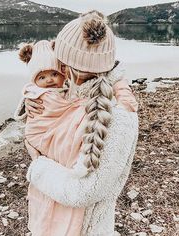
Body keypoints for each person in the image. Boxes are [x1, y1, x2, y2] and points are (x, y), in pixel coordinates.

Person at [15, 11, 138, 236]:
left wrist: (37, 163)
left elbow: (85, 192)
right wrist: (28, 102)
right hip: (49, 217)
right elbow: (48, 103)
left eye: (59, 60)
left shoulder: (119, 118)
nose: (55, 68)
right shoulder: (71, 89)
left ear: (69, 65)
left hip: (85, 229)